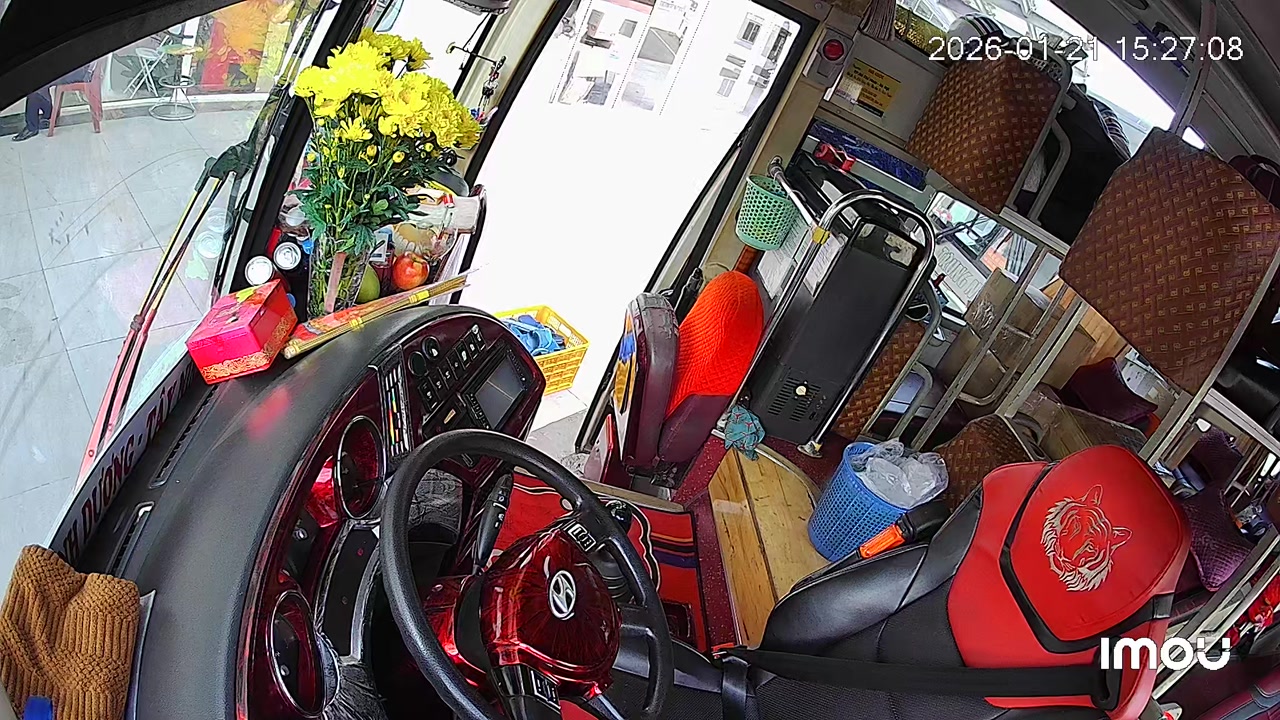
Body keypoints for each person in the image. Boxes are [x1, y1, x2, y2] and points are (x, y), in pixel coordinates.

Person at [12, 63, 93, 142]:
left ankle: (32, 127)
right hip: (75, 68)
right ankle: (47, 114)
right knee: (37, 76)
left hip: (80, 71)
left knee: (37, 81)